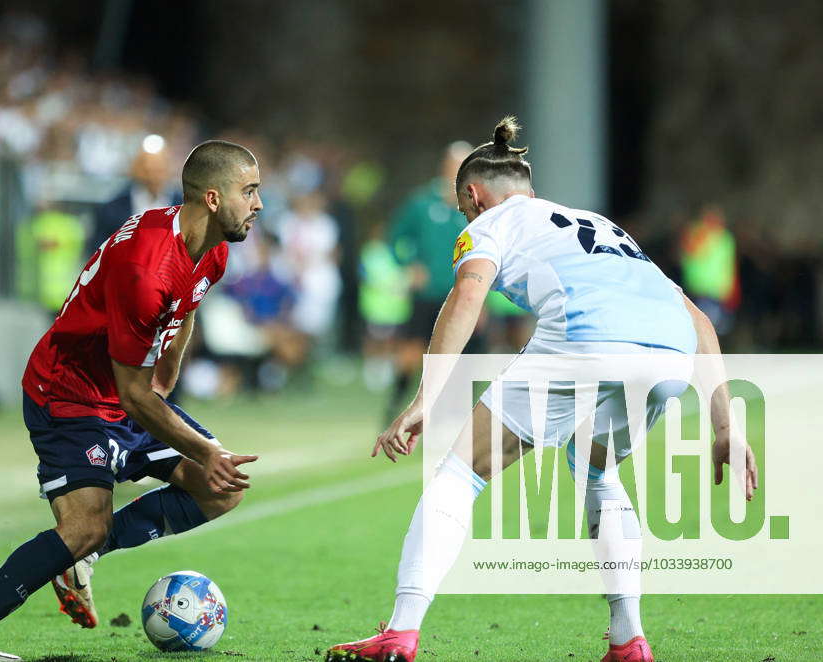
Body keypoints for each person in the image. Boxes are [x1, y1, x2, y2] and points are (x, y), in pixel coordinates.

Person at [325, 118, 759, 662]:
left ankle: (401, 632)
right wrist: (727, 425)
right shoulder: (601, 225)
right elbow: (698, 319)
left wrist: (424, 400)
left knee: (461, 472)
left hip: (587, 340)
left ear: (474, 196)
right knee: (597, 470)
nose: (465, 218)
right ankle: (629, 640)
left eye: (464, 209)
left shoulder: (490, 224)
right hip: (668, 356)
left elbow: (466, 295)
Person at [0, 140, 264, 661]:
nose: (259, 203)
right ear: (215, 199)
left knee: (221, 491)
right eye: (250, 190)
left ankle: (82, 557)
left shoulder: (213, 246)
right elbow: (133, 396)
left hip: (121, 392)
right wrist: (205, 449)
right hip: (70, 393)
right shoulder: (146, 270)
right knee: (84, 525)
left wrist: (171, 359)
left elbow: (188, 303)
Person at [385, 141, 475, 422]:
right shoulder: (422, 203)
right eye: (454, 164)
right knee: (411, 354)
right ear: (444, 166)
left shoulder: (475, 206)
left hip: (462, 293)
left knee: (460, 358)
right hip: (427, 294)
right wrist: (408, 266)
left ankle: (451, 416)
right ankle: (394, 409)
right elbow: (393, 238)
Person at [89, 135, 182, 254]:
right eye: (146, 165)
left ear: (169, 167)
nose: (152, 170)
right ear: (135, 167)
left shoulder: (185, 206)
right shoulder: (112, 209)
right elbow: (98, 253)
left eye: (158, 165)